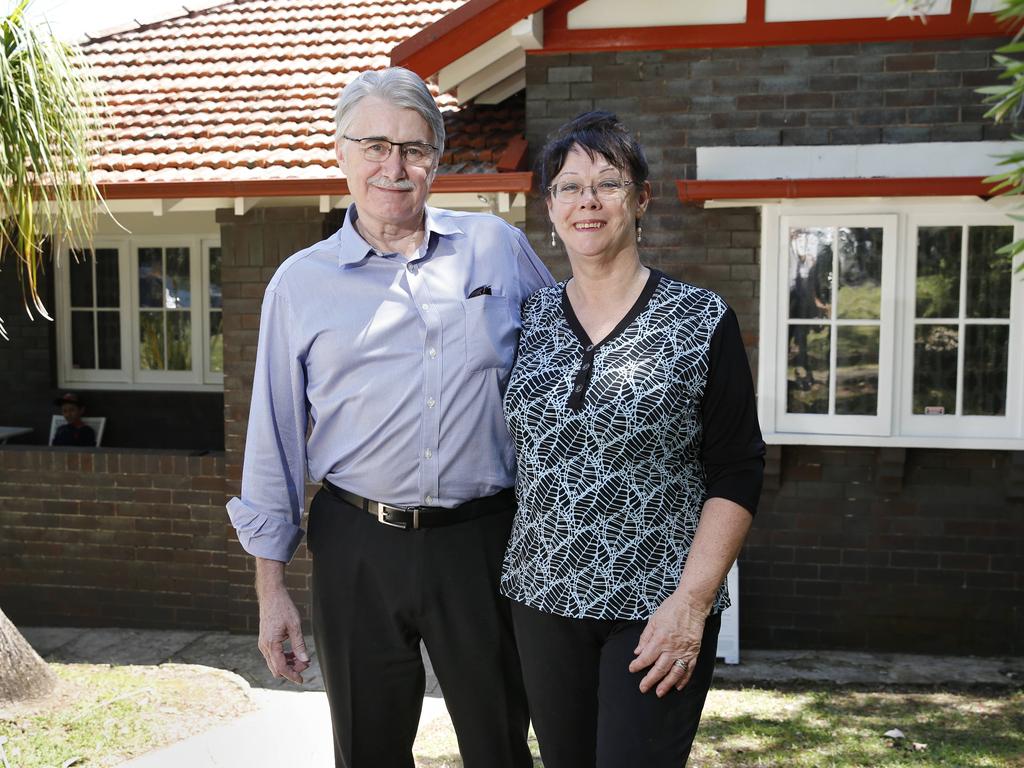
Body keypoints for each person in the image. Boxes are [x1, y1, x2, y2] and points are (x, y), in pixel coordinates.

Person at [226, 67, 553, 768]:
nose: (393, 167)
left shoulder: (495, 247)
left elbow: (565, 370)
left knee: (501, 746)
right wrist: (271, 588)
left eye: (412, 148)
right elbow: (274, 441)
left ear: (436, 158)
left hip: (483, 541)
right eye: (373, 145)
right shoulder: (299, 284)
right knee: (368, 751)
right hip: (357, 547)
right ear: (341, 153)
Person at [501, 111, 765, 768]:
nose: (586, 200)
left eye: (608, 182)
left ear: (641, 199)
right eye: (568, 186)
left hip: (657, 607)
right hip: (543, 600)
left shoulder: (701, 318)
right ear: (551, 207)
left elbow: (737, 468)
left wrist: (693, 604)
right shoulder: (526, 316)